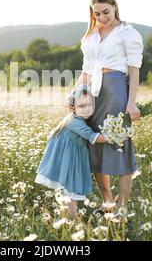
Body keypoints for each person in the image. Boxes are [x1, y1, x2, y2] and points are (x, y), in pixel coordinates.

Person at [70, 0, 143, 216]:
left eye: (106, 12)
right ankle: (108, 202)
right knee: (96, 150)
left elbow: (133, 72)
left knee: (120, 148)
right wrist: (73, 93)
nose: (102, 17)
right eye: (97, 13)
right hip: (92, 95)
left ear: (115, 6)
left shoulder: (128, 33)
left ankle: (121, 209)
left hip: (116, 92)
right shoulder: (90, 35)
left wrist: (131, 103)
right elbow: (86, 70)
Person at [35, 85, 107, 218]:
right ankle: (72, 223)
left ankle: (68, 220)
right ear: (72, 107)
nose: (86, 109)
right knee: (69, 191)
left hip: (71, 157)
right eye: (81, 106)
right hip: (67, 159)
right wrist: (115, 137)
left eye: (89, 105)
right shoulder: (74, 121)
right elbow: (94, 137)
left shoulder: (78, 119)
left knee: (68, 191)